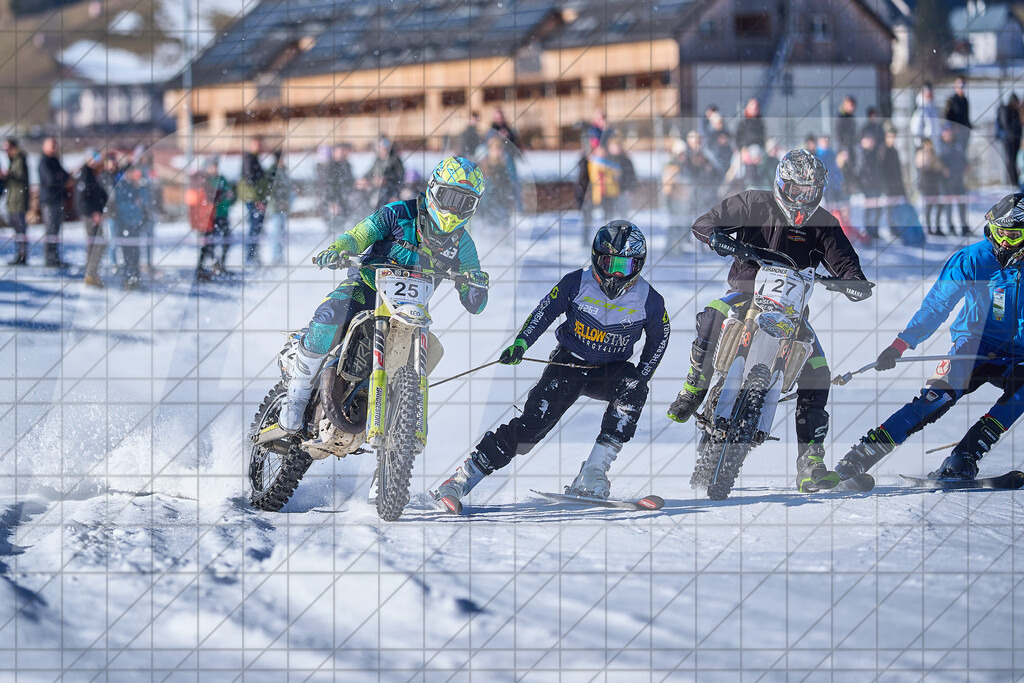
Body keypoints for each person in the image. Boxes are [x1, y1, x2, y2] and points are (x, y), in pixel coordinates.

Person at [667, 150, 874, 492]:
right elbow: (703, 223)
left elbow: (847, 264)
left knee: (819, 371)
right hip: (746, 296)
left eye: (811, 192)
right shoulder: (753, 203)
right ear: (781, 183)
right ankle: (693, 389)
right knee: (711, 314)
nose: (803, 199)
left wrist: (854, 283)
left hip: (791, 313)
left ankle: (810, 461)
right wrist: (718, 238)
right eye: (797, 190)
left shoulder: (824, 223)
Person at [431, 221, 670, 513]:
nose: (616, 272)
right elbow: (545, 311)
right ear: (597, 257)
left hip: (611, 372)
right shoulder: (577, 282)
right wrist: (521, 344)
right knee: (532, 428)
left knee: (634, 386)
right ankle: (459, 481)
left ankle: (593, 473)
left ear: (638, 265)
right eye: (609, 262)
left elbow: (660, 337)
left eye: (625, 264)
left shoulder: (649, 299)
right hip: (567, 365)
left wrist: (643, 375)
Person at [278, 156, 489, 433]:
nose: (452, 208)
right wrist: (338, 248)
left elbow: (475, 302)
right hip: (368, 286)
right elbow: (360, 234)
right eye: (448, 197)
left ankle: (398, 417)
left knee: (429, 351)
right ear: (433, 189)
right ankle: (297, 397)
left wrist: (476, 285)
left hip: (410, 311)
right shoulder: (398, 212)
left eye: (463, 202)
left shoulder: (463, 244)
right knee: (330, 315)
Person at [833, 193, 1024, 483]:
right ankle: (860, 457)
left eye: (1013, 236)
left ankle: (965, 456)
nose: (1004, 243)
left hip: (1018, 354)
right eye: (1000, 234)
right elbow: (937, 306)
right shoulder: (971, 260)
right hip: (973, 346)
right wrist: (901, 345)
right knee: (936, 399)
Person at [194, 156, 236, 279]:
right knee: (208, 243)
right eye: (212, 166)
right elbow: (208, 198)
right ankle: (201, 268)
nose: (214, 168)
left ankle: (220, 264)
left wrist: (231, 197)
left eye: (216, 166)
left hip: (223, 215)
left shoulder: (223, 179)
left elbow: (230, 196)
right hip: (210, 217)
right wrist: (221, 196)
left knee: (226, 241)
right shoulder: (205, 181)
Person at [75, 148, 109, 288]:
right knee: (95, 245)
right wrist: (94, 212)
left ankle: (93, 273)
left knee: (99, 244)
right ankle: (90, 275)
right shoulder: (85, 174)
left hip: (96, 215)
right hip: (90, 217)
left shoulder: (93, 174)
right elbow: (82, 199)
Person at [112, 166, 149, 290]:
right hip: (125, 224)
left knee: (136, 253)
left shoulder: (138, 187)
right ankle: (128, 279)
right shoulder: (121, 187)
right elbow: (123, 205)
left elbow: (145, 202)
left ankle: (135, 278)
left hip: (135, 225)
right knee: (127, 253)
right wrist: (134, 203)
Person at [37, 137, 70, 268]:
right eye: (52, 145)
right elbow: (50, 179)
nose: (54, 148)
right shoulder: (44, 161)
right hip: (49, 200)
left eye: (55, 145)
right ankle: (50, 259)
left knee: (56, 230)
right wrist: (59, 176)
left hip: (58, 199)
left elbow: (65, 176)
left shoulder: (55, 160)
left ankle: (55, 258)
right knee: (50, 229)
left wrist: (59, 176)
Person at [238, 136, 270, 265]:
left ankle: (253, 255)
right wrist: (257, 200)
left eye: (260, 145)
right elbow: (250, 180)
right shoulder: (249, 159)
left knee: (256, 228)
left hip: (255, 198)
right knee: (255, 227)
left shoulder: (253, 158)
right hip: (253, 199)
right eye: (257, 145)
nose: (259, 147)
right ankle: (251, 257)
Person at [849, 130, 884, 240]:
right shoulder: (861, 154)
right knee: (870, 209)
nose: (871, 142)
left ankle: (875, 230)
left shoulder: (875, 153)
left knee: (877, 209)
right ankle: (869, 231)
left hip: (877, 185)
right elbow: (861, 171)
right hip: (868, 186)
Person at [937, 124, 969, 236]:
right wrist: (943, 169)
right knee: (948, 205)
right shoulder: (940, 147)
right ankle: (951, 227)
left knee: (962, 204)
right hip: (946, 182)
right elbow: (938, 162)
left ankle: (964, 227)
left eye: (950, 133)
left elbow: (963, 158)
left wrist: (966, 165)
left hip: (959, 180)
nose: (948, 135)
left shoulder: (958, 145)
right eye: (946, 133)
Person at [2, 138, 29, 266]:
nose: (5, 151)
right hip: (13, 200)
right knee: (17, 230)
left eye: (7, 148)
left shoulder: (19, 159)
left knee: (20, 230)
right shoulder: (13, 160)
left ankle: (22, 256)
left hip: (19, 200)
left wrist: (6, 175)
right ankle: (20, 255)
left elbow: (19, 176)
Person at [360, 137, 405, 206]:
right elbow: (370, 173)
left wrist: (386, 180)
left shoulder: (395, 160)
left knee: (377, 200)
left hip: (391, 190)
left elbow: (400, 177)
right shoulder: (377, 161)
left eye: (382, 146)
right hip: (377, 189)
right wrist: (364, 179)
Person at [265, 150, 291, 265]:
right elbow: (272, 190)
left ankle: (280, 256)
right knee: (276, 231)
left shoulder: (283, 170)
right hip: (275, 207)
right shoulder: (272, 171)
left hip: (283, 206)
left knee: (281, 231)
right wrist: (279, 202)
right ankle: (275, 257)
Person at [916, 138, 945, 236]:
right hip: (926, 185)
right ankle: (928, 228)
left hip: (934, 184)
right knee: (929, 207)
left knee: (939, 206)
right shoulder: (921, 154)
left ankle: (937, 226)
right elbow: (923, 165)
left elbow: (938, 167)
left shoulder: (934, 154)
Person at [323, 143, 354, 233]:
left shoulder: (347, 165)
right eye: (340, 151)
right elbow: (328, 186)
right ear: (334, 152)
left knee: (345, 228)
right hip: (333, 202)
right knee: (334, 230)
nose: (343, 153)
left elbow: (349, 182)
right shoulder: (330, 166)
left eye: (344, 151)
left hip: (345, 201)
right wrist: (332, 202)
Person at [997, 94, 1023, 186]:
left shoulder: (1016, 111)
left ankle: (1015, 182)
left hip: (1015, 139)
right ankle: (1013, 182)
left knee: (1013, 161)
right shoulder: (1006, 110)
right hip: (1009, 141)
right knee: (1010, 161)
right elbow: (1007, 126)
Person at [911, 83, 942, 149]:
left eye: (930, 92)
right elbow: (915, 127)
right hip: (925, 146)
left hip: (933, 146)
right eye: (928, 92)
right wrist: (921, 142)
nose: (929, 94)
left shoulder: (933, 107)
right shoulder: (920, 108)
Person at [944, 76, 972, 144]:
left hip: (964, 133)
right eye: (959, 84)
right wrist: (952, 128)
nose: (961, 87)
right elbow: (947, 117)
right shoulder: (951, 100)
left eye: (963, 84)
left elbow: (966, 117)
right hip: (955, 134)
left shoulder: (965, 100)